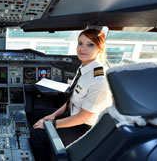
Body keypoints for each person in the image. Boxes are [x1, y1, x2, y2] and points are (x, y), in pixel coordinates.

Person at [30, 29, 112, 160]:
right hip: (72, 114)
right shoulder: (84, 68)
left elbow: (83, 118)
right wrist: (53, 115)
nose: (82, 48)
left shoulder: (100, 79)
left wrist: (51, 124)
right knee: (34, 114)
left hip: (84, 130)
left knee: (36, 135)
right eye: (80, 43)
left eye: (90, 44)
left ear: (100, 49)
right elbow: (71, 100)